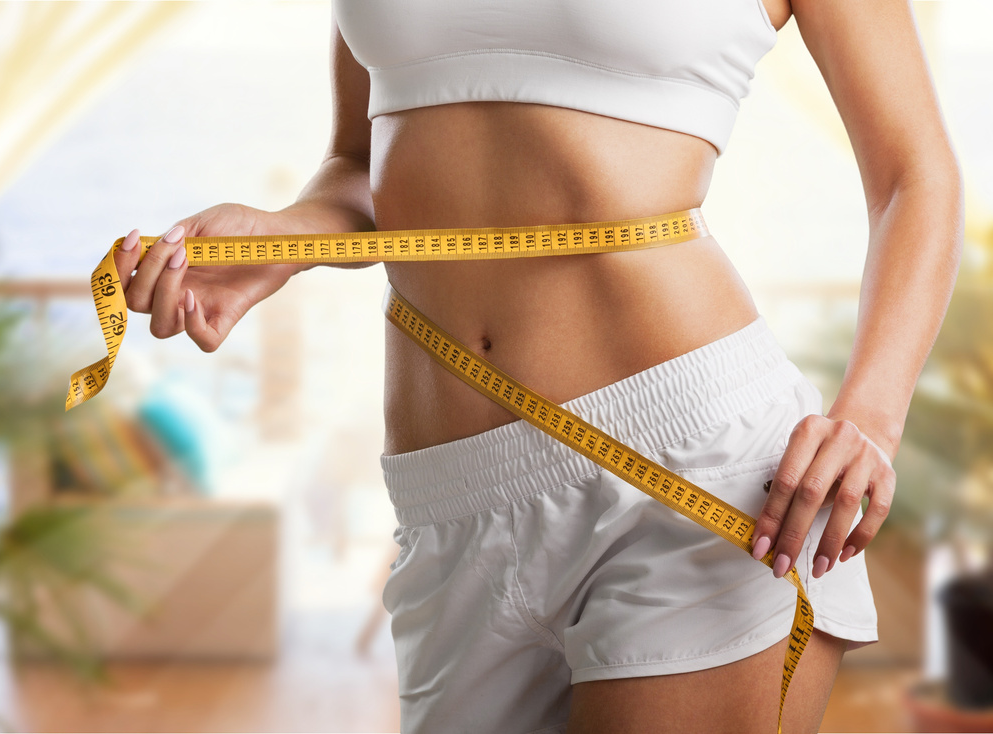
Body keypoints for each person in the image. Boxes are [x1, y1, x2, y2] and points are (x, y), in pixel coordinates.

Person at [112, 0, 962, 731]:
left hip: (689, 475)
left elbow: (913, 175)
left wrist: (872, 417)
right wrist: (286, 240)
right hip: (448, 497)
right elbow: (363, 168)